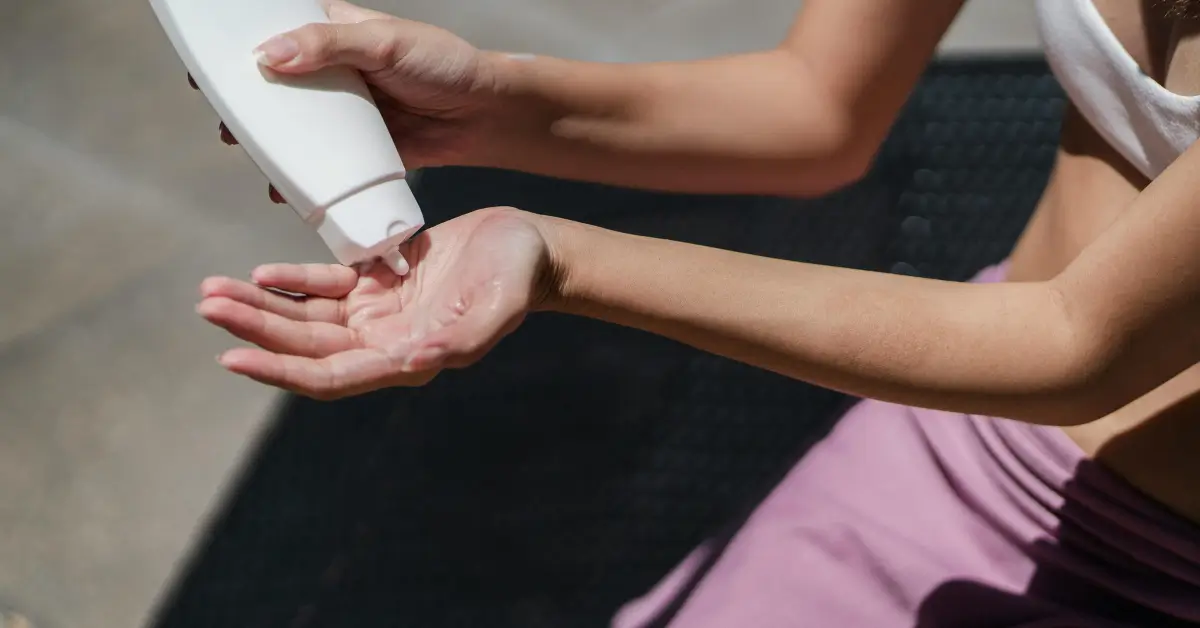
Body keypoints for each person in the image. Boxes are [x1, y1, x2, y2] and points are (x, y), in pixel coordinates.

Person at [194, 0, 1200, 624]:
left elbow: (1079, 343)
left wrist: (561, 256)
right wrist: (487, 104)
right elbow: (819, 107)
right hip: (958, 432)